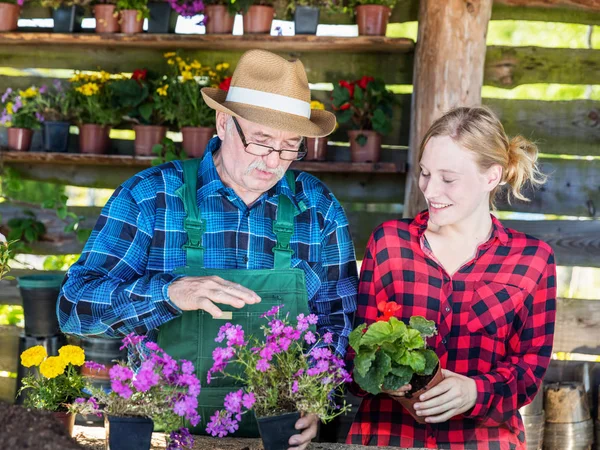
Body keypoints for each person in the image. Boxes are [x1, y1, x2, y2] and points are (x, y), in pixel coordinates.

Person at [57, 49, 358, 449]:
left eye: (290, 146)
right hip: (162, 435)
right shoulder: (152, 197)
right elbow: (74, 306)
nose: (273, 160)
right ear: (222, 122)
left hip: (279, 437)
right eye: (262, 141)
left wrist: (316, 398)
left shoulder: (318, 210)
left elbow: (339, 320)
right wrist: (169, 293)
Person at [346, 106, 556, 449]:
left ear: (492, 176)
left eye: (448, 178)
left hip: (481, 441)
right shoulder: (390, 244)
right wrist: (380, 378)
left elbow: (529, 374)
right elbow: (355, 356)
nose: (430, 190)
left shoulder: (531, 260)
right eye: (425, 173)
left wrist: (474, 391)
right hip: (389, 436)